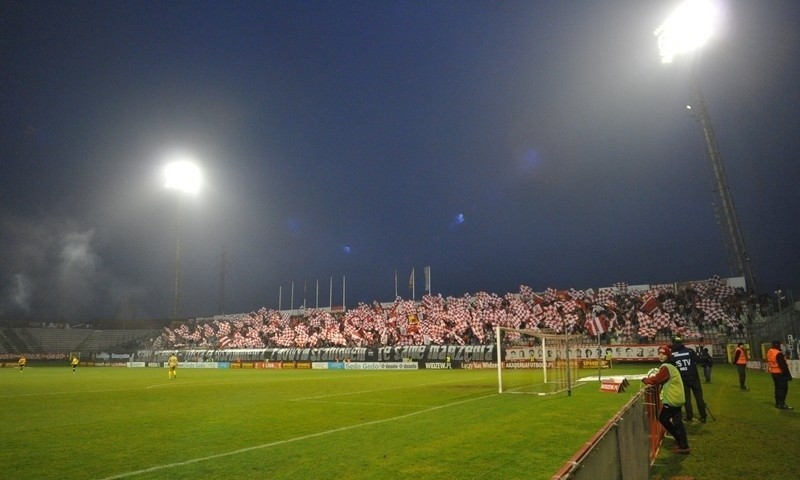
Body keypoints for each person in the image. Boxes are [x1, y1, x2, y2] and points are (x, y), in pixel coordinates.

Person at [642, 345, 690, 454]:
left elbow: (656, 379)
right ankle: (683, 444)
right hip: (678, 397)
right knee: (678, 422)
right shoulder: (671, 366)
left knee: (663, 418)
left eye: (663, 354)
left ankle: (680, 441)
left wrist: (646, 380)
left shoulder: (666, 366)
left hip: (672, 398)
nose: (660, 356)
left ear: (667, 355)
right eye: (659, 353)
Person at [671, 337, 707, 423]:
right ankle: (703, 416)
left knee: (687, 399)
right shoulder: (690, 351)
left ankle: (689, 416)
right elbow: (698, 360)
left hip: (683, 378)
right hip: (694, 377)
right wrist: (706, 360)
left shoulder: (673, 354)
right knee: (699, 398)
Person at [766, 340, 793, 409]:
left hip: (773, 372)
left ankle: (778, 403)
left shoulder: (770, 351)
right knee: (783, 389)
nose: (780, 346)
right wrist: (788, 375)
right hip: (780, 373)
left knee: (777, 388)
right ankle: (781, 404)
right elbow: (783, 365)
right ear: (777, 345)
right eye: (779, 345)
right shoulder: (778, 353)